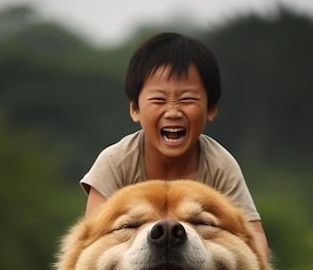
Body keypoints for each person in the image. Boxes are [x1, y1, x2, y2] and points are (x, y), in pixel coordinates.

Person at [80, 32, 268, 258]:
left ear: (211, 109)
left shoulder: (220, 164)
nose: (173, 111)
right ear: (134, 109)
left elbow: (251, 234)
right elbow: (91, 240)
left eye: (187, 99)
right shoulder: (114, 161)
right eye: (159, 100)